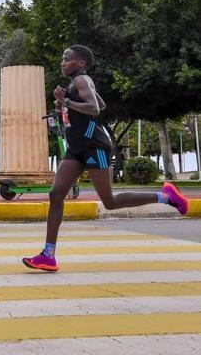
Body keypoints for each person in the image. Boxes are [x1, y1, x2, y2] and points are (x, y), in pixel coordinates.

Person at [22, 45, 189, 272]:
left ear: (80, 63)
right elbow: (100, 104)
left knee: (109, 201)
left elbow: (94, 109)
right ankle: (48, 255)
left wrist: (66, 102)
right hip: (77, 147)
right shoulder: (79, 83)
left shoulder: (81, 80)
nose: (62, 62)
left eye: (66, 58)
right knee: (56, 193)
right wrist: (67, 102)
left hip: (95, 146)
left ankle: (165, 196)